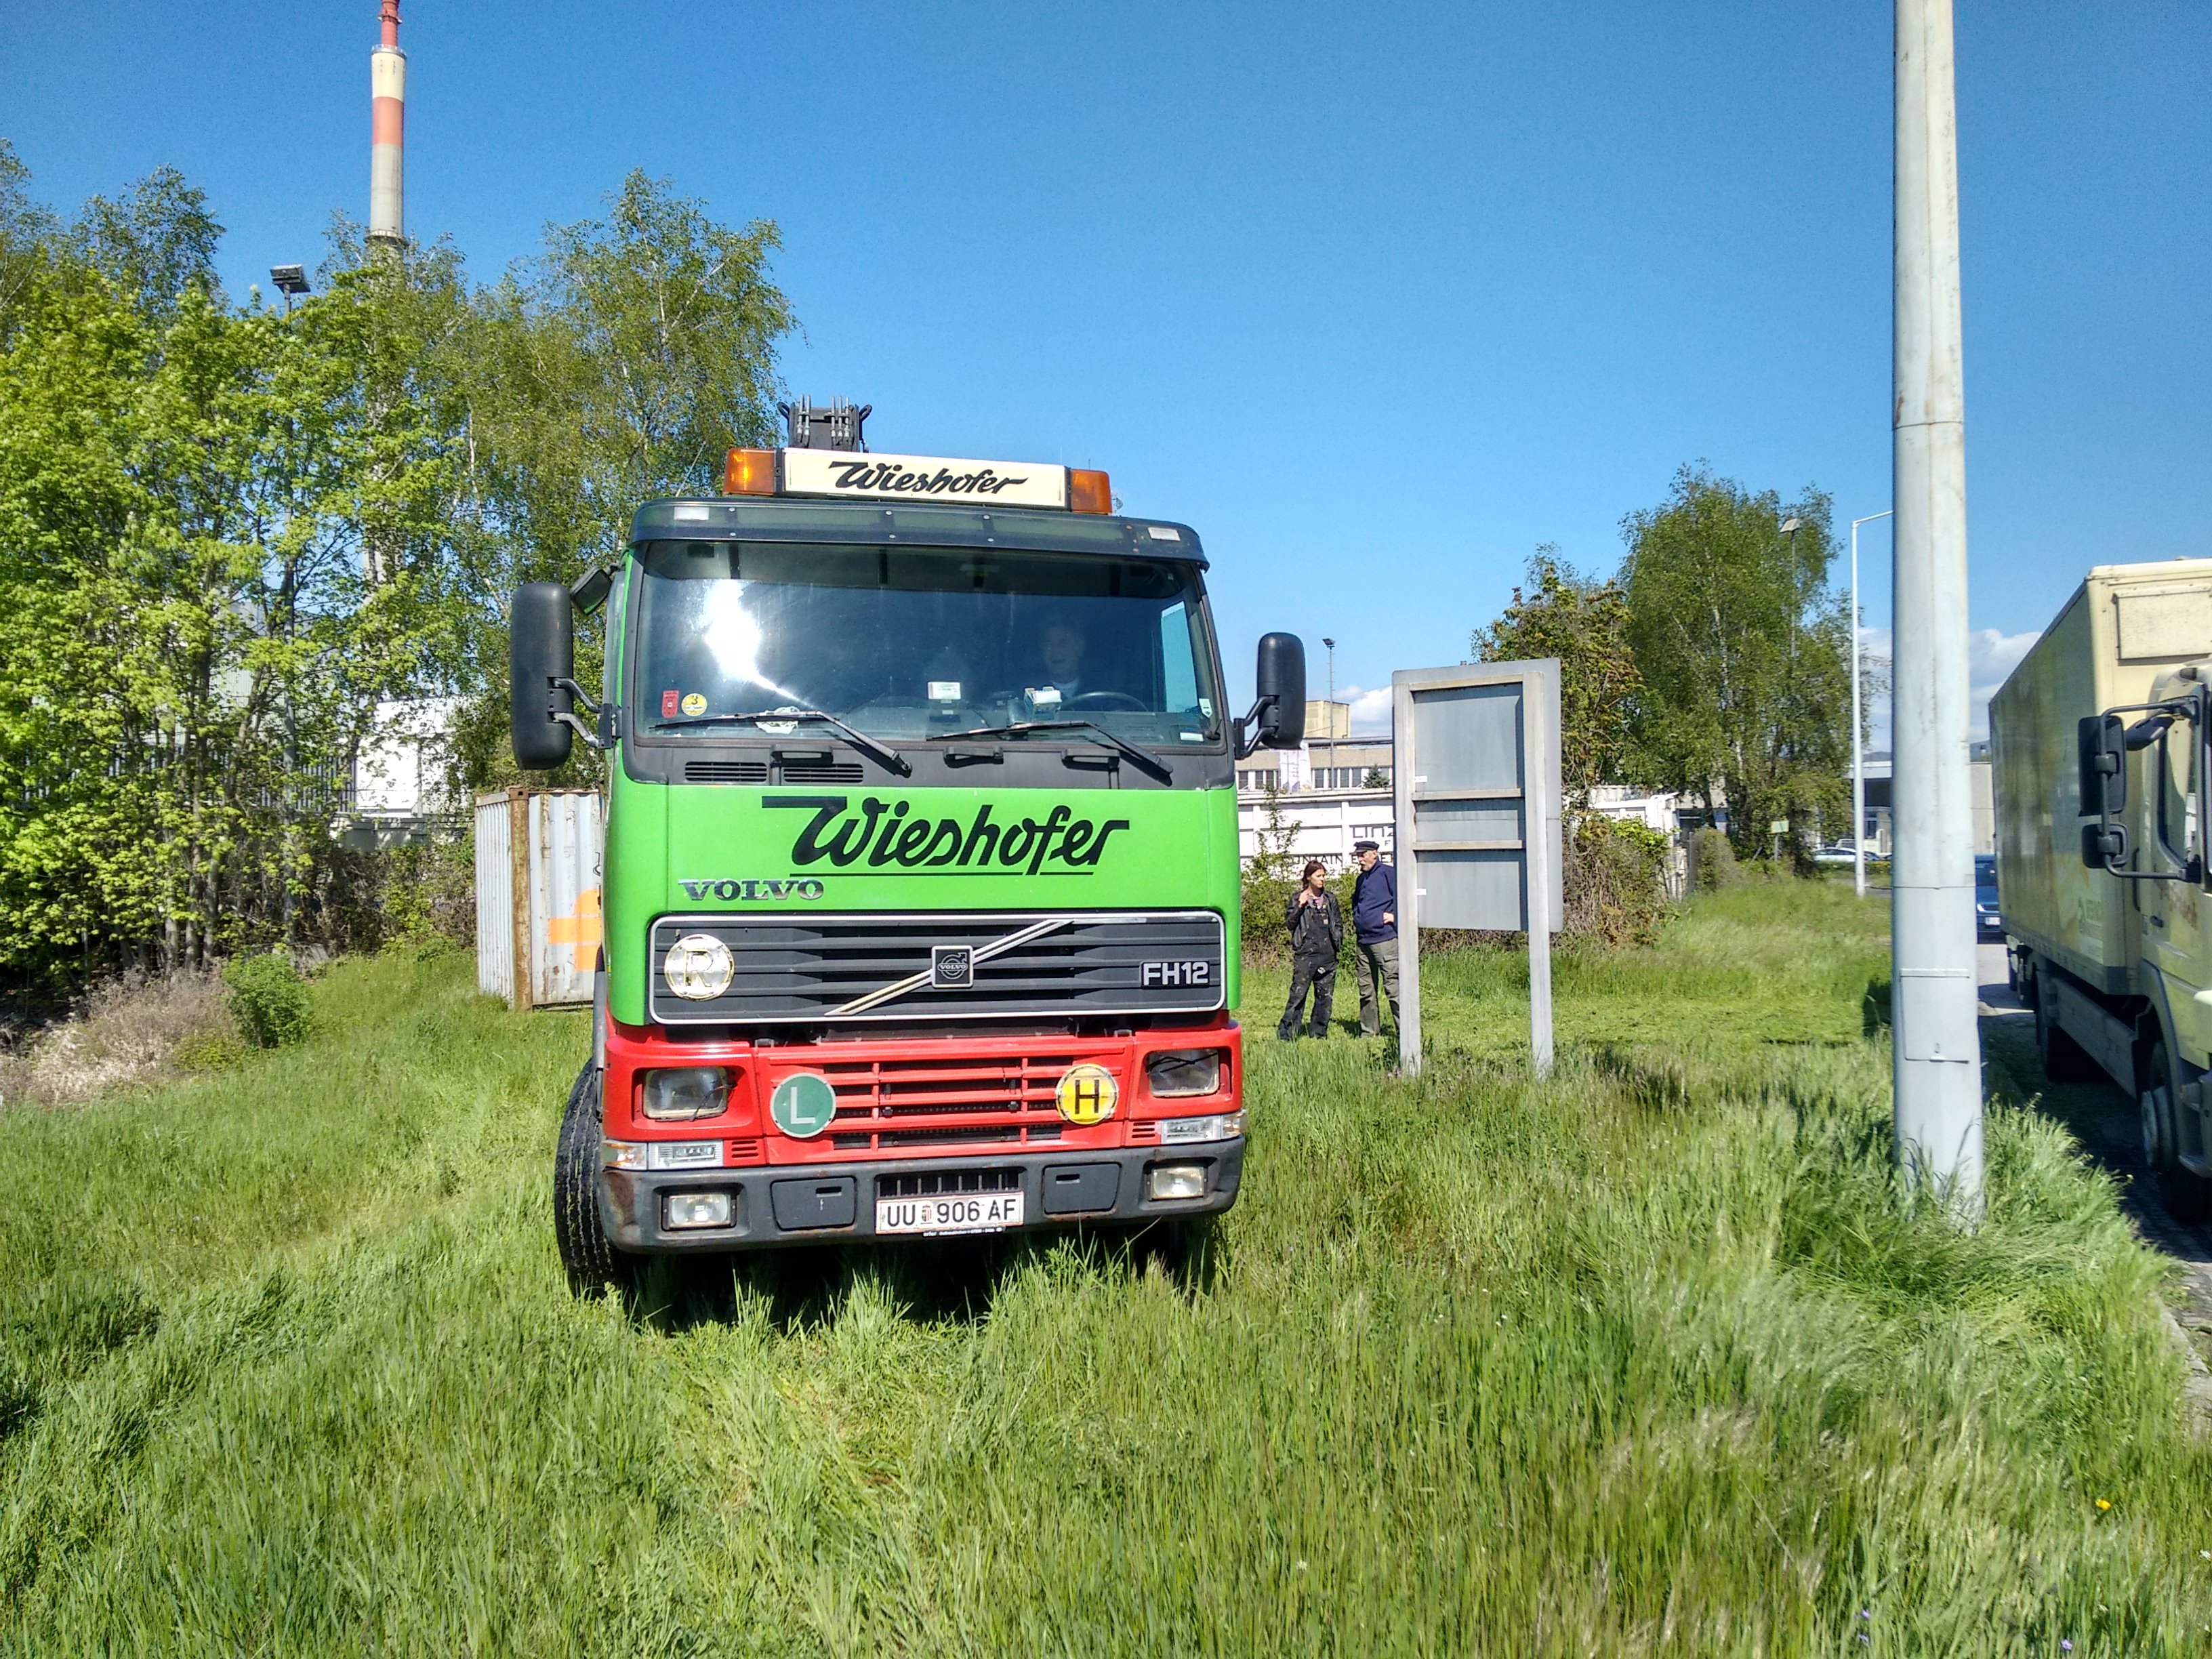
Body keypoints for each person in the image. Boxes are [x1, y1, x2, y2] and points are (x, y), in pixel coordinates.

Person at [1278, 859, 1343, 1040]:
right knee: (1298, 995)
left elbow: (1338, 923)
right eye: (1319, 876)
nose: (1322, 879)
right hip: (1306, 954)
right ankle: (1287, 1033)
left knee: (1325, 997)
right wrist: (1300, 905)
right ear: (1309, 878)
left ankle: (1319, 1033)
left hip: (1328, 954)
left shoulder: (1330, 899)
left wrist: (1338, 942)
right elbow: (1290, 924)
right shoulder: (1297, 898)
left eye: (1324, 876)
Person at [1350, 839, 1400, 1038]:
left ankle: (1405, 1033)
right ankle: (1369, 1032)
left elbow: (1404, 896)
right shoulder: (1361, 879)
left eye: (1363, 855)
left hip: (1385, 941)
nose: (1360, 860)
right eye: (1358, 856)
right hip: (1363, 942)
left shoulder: (1388, 873)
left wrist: (1396, 916)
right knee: (1366, 991)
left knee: (1393, 988)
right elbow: (1357, 903)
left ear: (1375, 854)